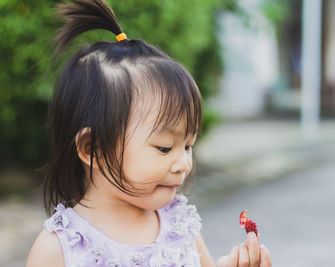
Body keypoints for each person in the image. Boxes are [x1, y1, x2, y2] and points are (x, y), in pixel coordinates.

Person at [26, 0, 272, 266]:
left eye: (188, 146)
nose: (184, 164)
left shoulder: (179, 226)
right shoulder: (59, 249)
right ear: (92, 147)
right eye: (165, 147)